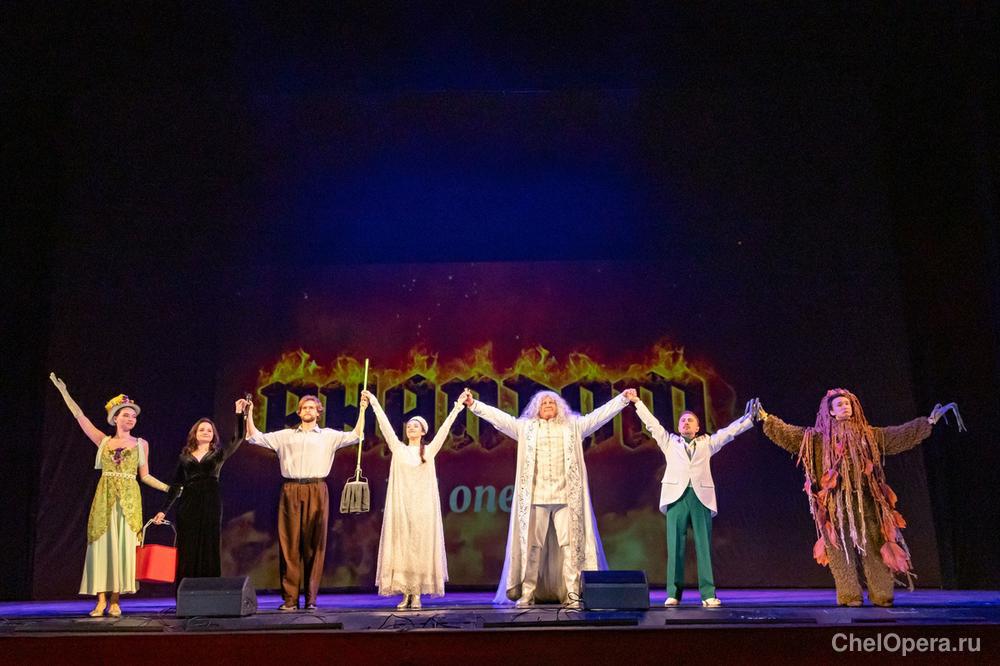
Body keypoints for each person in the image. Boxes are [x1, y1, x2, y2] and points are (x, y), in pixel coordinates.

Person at [759, 389, 963, 607]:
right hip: (834, 505)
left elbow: (897, 435)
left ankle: (881, 595)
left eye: (847, 404)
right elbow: (791, 434)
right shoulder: (817, 439)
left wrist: (926, 423)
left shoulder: (868, 434)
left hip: (867, 502)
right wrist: (767, 419)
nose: (845, 407)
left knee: (875, 548)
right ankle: (849, 596)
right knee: (839, 552)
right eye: (839, 405)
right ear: (830, 411)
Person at [463, 387, 637, 607]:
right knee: (532, 547)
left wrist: (622, 399)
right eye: (543, 403)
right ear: (536, 408)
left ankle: (573, 592)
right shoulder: (526, 428)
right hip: (536, 497)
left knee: (570, 546)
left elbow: (599, 416)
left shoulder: (572, 426)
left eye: (551, 403)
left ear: (559, 407)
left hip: (566, 497)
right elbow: (500, 419)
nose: (547, 406)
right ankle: (528, 593)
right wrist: (474, 405)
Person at [49, 373, 170, 617]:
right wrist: (64, 393)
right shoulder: (103, 441)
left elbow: (145, 476)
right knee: (102, 546)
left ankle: (116, 599)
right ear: (115, 418)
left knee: (123, 547)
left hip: (129, 500)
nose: (131, 418)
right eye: (126, 414)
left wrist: (169, 488)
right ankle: (100, 599)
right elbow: (80, 418)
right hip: (104, 499)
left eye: (134, 416)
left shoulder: (141, 444)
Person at [628, 393, 757, 607]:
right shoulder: (670, 442)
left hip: (700, 497)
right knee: (675, 546)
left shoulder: (707, 443)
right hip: (676, 497)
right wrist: (638, 403)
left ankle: (708, 594)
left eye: (690, 420)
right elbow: (652, 424)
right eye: (683, 420)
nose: (686, 422)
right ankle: (673, 593)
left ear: (698, 427)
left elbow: (729, 433)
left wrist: (750, 419)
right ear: (679, 427)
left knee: (703, 546)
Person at [245, 393, 368, 611]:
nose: (308, 410)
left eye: (312, 407)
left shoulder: (328, 436)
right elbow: (254, 437)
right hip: (291, 489)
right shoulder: (285, 436)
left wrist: (362, 410)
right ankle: (290, 600)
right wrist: (249, 413)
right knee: (289, 544)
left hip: (317, 488)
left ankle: (311, 599)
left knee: (315, 544)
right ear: (299, 412)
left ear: (318, 413)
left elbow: (357, 435)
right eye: (304, 407)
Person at [362, 388, 466, 610]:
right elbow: (385, 426)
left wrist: (458, 406)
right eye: (409, 426)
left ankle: (416, 592)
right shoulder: (398, 449)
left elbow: (445, 428)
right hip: (401, 506)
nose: (411, 428)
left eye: (415, 426)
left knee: (419, 548)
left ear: (423, 431)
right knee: (403, 548)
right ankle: (405, 593)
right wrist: (373, 401)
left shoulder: (429, 451)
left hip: (422, 508)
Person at [152, 399, 249, 582]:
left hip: (211, 502)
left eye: (209, 430)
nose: (205, 432)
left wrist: (238, 412)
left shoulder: (218, 454)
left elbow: (239, 437)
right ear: (194, 434)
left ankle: (207, 588)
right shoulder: (184, 457)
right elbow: (176, 485)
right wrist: (163, 510)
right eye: (202, 429)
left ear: (213, 435)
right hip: (188, 504)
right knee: (188, 545)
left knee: (209, 543)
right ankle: (185, 587)